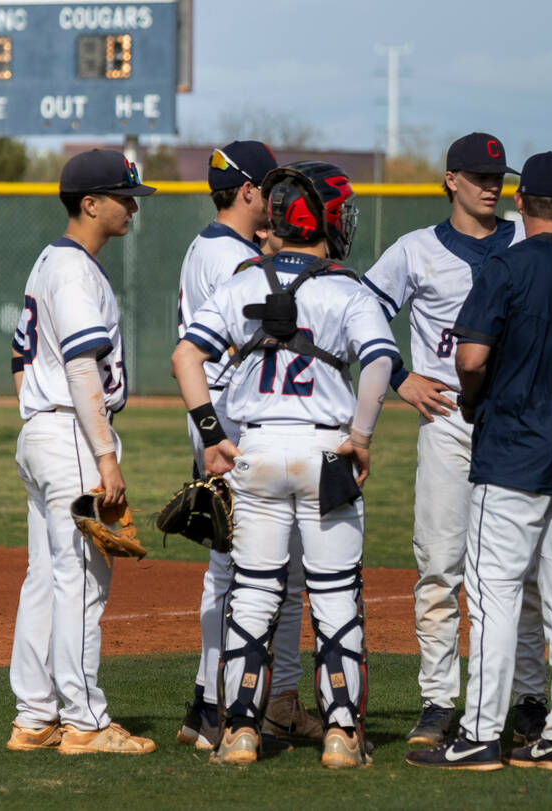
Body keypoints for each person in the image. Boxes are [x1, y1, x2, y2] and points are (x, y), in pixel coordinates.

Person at [405, 152, 552, 771]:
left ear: (521, 203)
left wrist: (474, 403)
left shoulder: (504, 267)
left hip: (514, 454)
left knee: (495, 595)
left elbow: (470, 358)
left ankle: (479, 734)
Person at [172, 161, 400, 768]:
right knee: (334, 597)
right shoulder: (345, 287)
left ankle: (240, 734)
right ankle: (341, 736)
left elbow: (184, 357)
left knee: (251, 595)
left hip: (259, 448)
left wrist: (214, 434)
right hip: (326, 450)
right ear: (324, 219)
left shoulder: (244, 278)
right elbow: (378, 362)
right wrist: (362, 436)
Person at [363, 132, 548, 747]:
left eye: (499, 174)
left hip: (516, 419)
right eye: (478, 174)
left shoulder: (528, 239)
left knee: (521, 572)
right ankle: (439, 700)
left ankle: (528, 698)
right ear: (451, 180)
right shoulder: (415, 250)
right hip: (447, 420)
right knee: (440, 566)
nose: (492, 184)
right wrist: (399, 376)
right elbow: (354, 314)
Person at [174, 140, 324, 751]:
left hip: (214, 411)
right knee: (237, 568)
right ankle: (215, 708)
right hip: (230, 418)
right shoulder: (236, 261)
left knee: (244, 566)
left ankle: (239, 704)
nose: (282, 201)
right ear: (248, 193)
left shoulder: (209, 245)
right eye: (273, 190)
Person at [7, 149, 157, 755]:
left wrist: (37, 417)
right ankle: (85, 722)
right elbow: (79, 366)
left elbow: (20, 361)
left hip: (44, 432)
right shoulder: (73, 272)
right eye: (124, 196)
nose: (132, 205)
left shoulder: (49, 262)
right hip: (71, 432)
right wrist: (104, 455)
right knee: (81, 582)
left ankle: (35, 716)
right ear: (89, 203)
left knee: (45, 577)